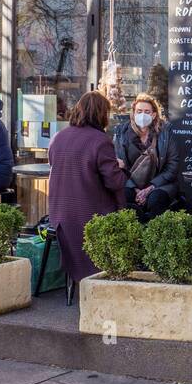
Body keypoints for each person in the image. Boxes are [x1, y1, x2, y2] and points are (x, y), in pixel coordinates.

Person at [48, 90, 127, 295]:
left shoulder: (59, 137)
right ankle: (115, 278)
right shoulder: (100, 141)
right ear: (101, 114)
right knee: (133, 215)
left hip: (60, 217)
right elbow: (114, 181)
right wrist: (121, 166)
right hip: (90, 215)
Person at [113, 92, 179, 222]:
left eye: (147, 111)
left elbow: (173, 166)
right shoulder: (121, 132)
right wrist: (136, 189)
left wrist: (150, 188)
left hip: (160, 184)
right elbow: (118, 166)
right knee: (124, 197)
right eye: (139, 111)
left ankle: (154, 237)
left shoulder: (166, 132)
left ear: (154, 115)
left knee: (156, 199)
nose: (142, 115)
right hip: (130, 184)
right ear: (133, 113)